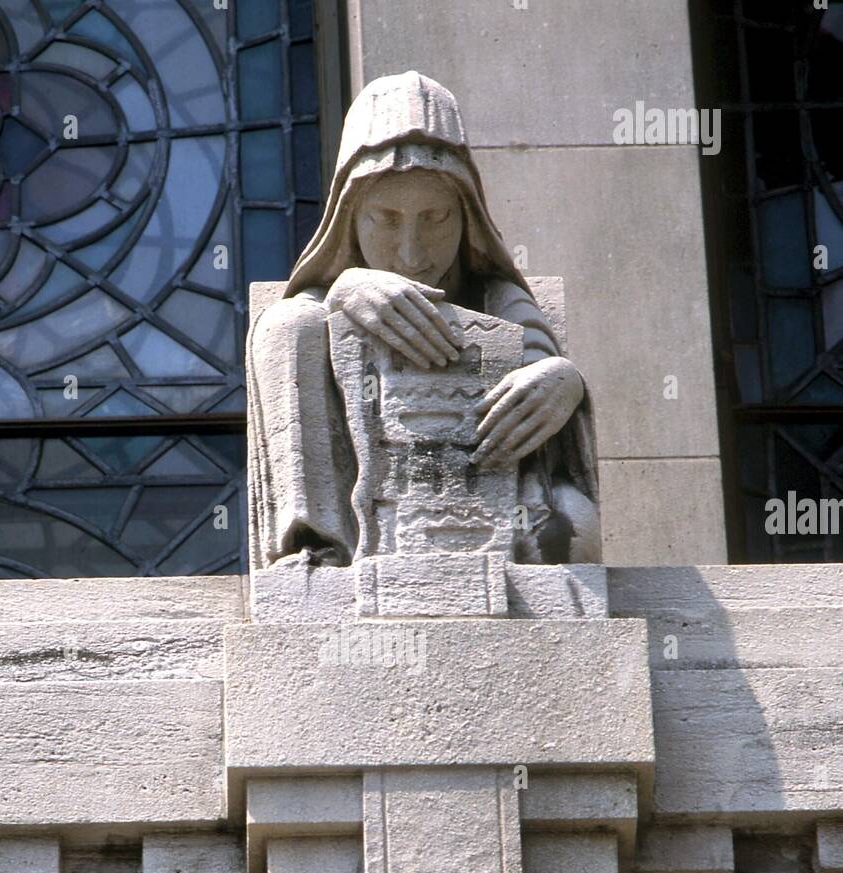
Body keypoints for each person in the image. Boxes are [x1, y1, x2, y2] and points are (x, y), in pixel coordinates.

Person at [248, 70, 599, 569]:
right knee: (287, 325)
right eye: (386, 219)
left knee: (574, 527)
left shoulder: (493, 294)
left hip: (490, 506)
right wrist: (343, 291)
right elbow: (283, 331)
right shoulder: (324, 299)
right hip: (363, 515)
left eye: (435, 220)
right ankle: (319, 544)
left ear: (466, 217)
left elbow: (539, 354)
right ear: (350, 217)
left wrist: (562, 382)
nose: (412, 254)